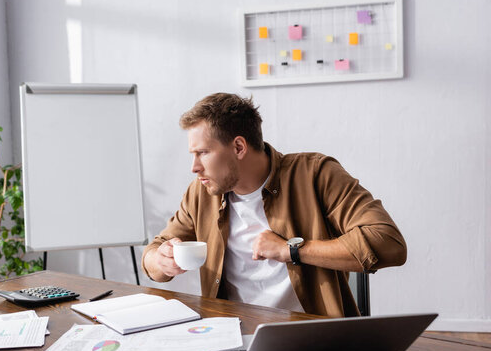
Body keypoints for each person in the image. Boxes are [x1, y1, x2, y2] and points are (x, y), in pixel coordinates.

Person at [142, 93, 406, 317]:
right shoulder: (201, 193)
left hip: (312, 339)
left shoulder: (315, 175)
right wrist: (161, 261)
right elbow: (154, 253)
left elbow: (388, 242)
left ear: (238, 147)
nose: (194, 167)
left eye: (203, 153)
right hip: (232, 336)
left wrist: (290, 250)